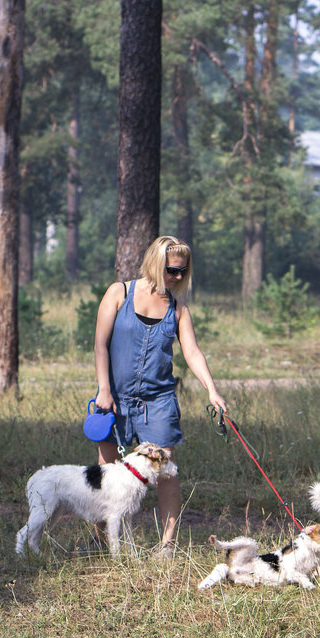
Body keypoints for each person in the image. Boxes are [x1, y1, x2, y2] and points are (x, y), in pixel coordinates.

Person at [93, 235, 227, 559]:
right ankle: (101, 541)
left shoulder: (178, 310)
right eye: (172, 270)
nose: (178, 278)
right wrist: (104, 390)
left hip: (159, 399)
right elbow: (100, 344)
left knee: (165, 470)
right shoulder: (118, 293)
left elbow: (192, 352)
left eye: (183, 272)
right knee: (106, 470)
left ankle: (166, 545)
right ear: (156, 264)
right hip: (115, 398)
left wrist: (212, 389)